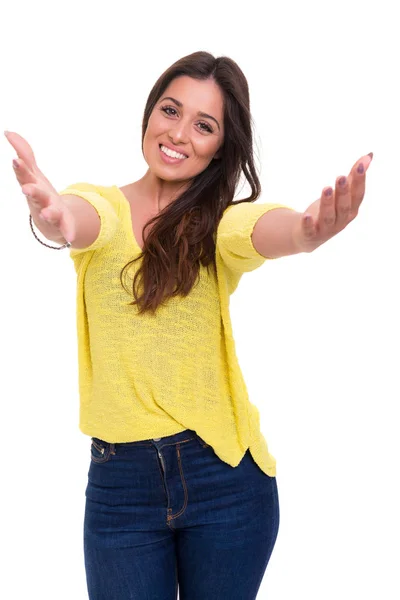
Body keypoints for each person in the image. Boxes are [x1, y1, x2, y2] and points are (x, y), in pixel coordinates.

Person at [5, 50, 373, 600]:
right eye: (171, 111)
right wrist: (52, 215)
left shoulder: (218, 224)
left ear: (222, 145)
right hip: (120, 487)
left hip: (225, 480)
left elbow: (263, 228)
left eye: (204, 125)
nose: (179, 133)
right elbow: (78, 221)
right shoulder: (99, 206)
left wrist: (305, 231)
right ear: (150, 113)